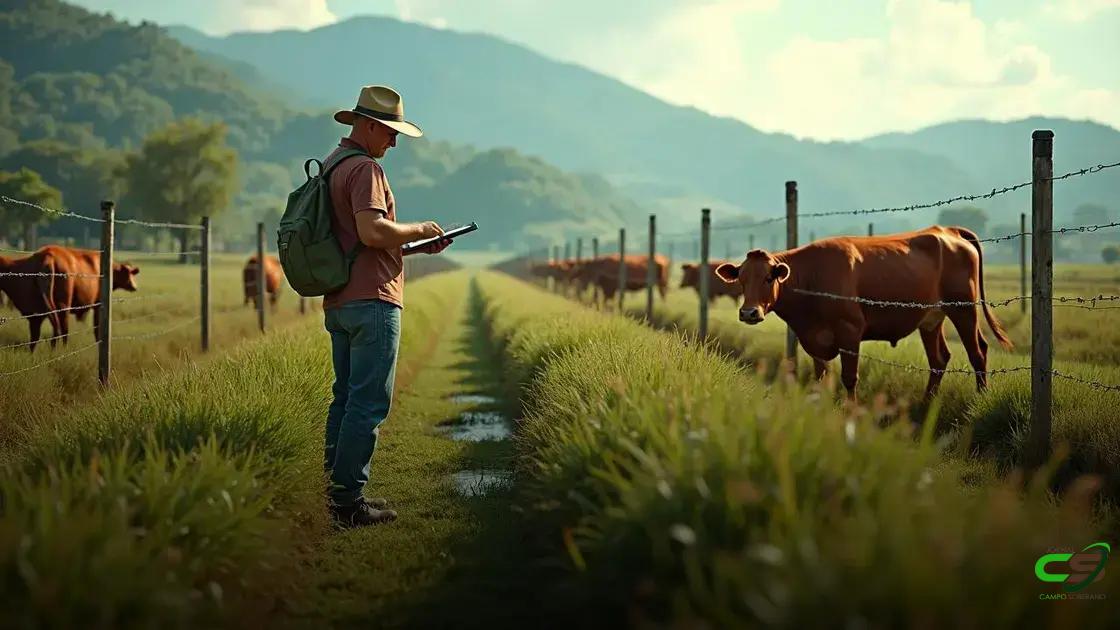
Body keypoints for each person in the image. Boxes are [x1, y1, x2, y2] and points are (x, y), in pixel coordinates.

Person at [323, 85, 452, 528]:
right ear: (372, 126)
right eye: (391, 133)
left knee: (344, 398)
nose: (393, 142)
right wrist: (419, 229)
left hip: (340, 300)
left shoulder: (332, 166)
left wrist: (414, 249)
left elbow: (356, 242)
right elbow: (374, 233)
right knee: (368, 403)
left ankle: (332, 491)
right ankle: (348, 503)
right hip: (373, 301)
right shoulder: (365, 169)